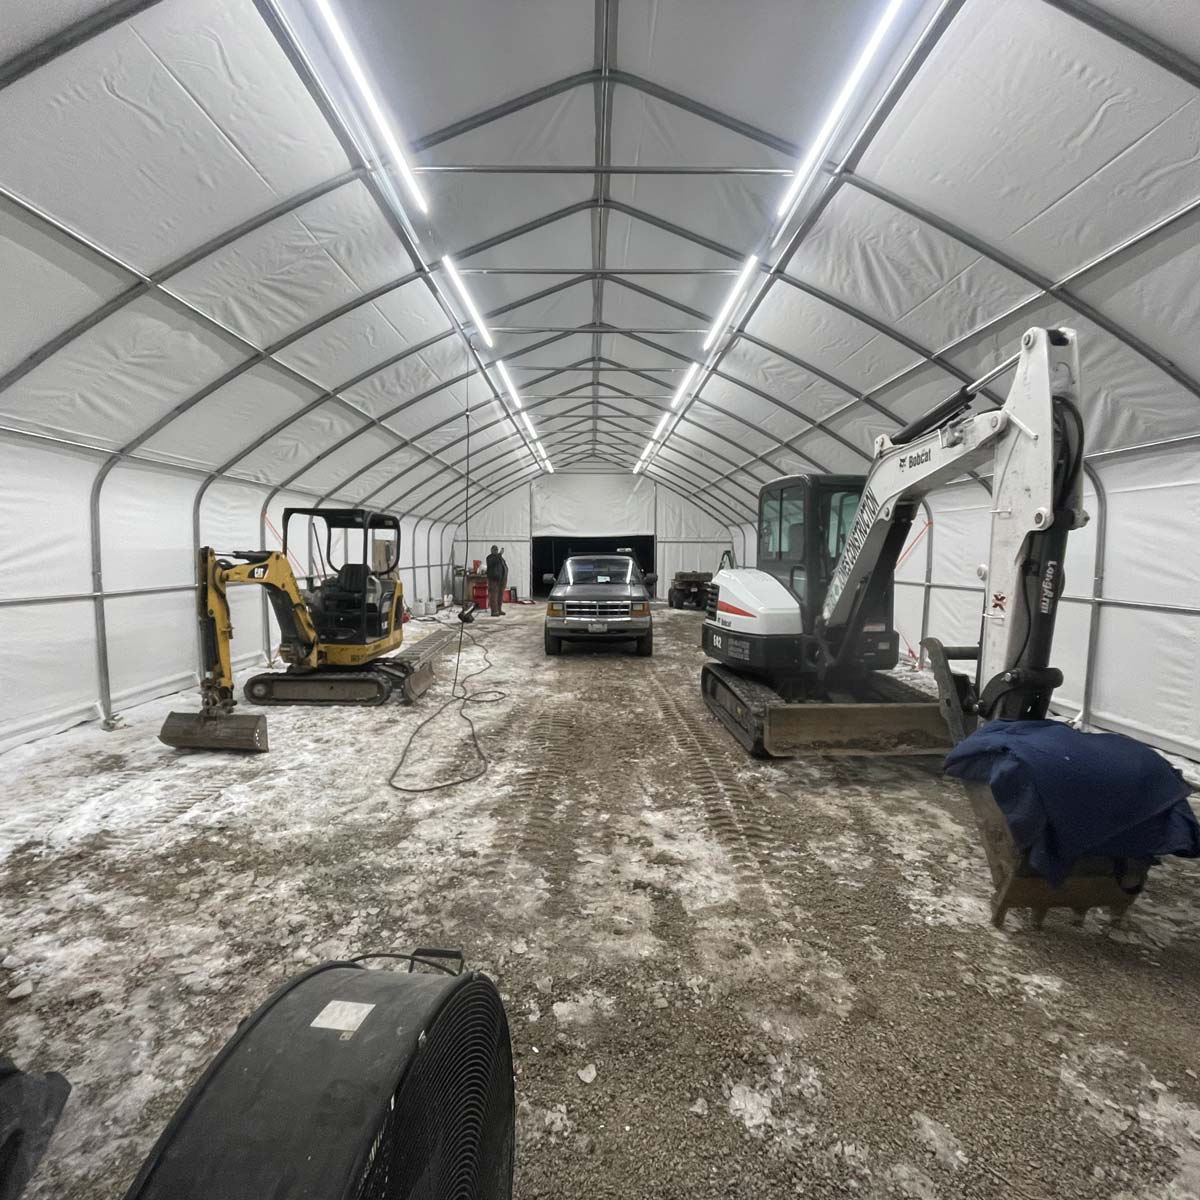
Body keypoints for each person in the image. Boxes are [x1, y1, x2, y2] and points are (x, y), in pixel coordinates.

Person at [485, 544, 507, 616]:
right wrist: (500, 554)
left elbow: (504, 565)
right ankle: (494, 611)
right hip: (493, 579)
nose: (496, 551)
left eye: (496, 549)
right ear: (491, 550)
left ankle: (499, 609)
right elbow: (493, 562)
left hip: (501, 579)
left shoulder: (500, 557)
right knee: (494, 595)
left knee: (500, 595)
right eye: (494, 549)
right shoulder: (490, 558)